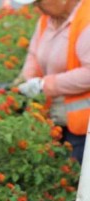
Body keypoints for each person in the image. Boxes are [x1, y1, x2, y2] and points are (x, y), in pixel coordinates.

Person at [14, 0, 90, 163]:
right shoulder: (47, 19)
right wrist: (28, 78)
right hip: (57, 119)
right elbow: (34, 54)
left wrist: (45, 85)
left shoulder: (87, 19)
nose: (37, 7)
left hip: (84, 127)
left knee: (80, 180)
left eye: (40, 1)